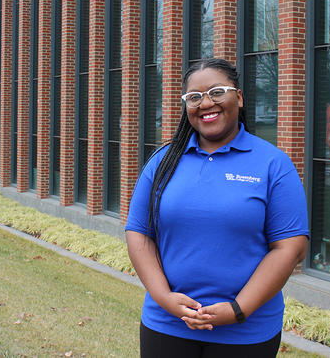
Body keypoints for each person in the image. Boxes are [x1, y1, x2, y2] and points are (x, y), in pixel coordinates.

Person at [126, 58, 309, 358]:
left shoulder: (273, 164)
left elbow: (290, 248)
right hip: (167, 325)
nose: (206, 103)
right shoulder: (162, 162)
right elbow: (139, 234)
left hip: (246, 333)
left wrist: (239, 309)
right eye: (194, 97)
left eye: (217, 92)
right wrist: (165, 298)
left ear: (238, 97)